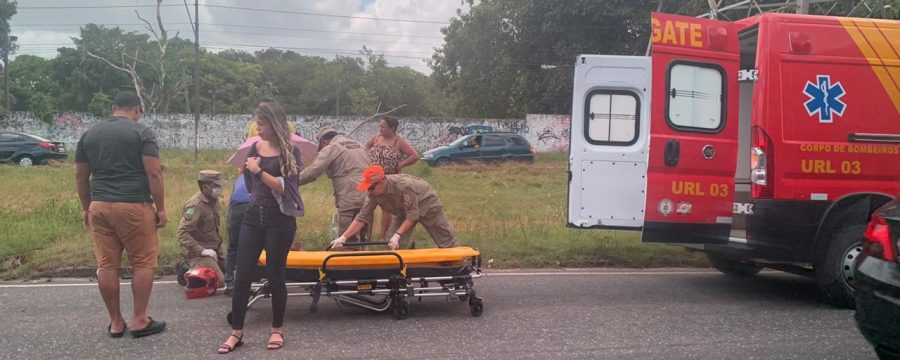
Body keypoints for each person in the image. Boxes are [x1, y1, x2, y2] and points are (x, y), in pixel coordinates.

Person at [74, 90, 167, 338]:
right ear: (136, 109)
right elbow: (154, 174)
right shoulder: (142, 132)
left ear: (114, 107)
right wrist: (161, 208)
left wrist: (86, 207)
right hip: (133, 205)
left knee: (106, 265)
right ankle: (138, 320)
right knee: (142, 262)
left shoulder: (89, 134)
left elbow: (81, 176)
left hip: (100, 205)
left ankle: (116, 322)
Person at [219, 101, 304, 354]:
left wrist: (258, 172)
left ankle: (277, 329)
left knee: (276, 275)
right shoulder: (254, 147)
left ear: (275, 124)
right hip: (253, 216)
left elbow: (287, 189)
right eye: (257, 121)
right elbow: (248, 182)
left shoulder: (291, 151)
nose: (258, 126)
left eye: (262, 122)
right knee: (243, 274)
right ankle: (236, 332)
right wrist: (254, 172)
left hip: (280, 220)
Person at [332, 165, 460, 250]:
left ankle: (460, 268)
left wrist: (398, 234)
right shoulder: (373, 195)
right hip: (403, 212)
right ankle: (400, 275)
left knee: (446, 241)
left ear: (381, 183)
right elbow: (362, 217)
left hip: (427, 205)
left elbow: (413, 215)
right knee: (392, 244)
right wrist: (344, 237)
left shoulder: (404, 186)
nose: (369, 191)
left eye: (371, 187)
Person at [299, 126, 371, 248]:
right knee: (365, 236)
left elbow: (314, 171)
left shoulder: (332, 147)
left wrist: (292, 181)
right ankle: (367, 263)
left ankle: (350, 264)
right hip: (368, 194)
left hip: (349, 196)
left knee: (348, 238)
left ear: (324, 142)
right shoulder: (359, 145)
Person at [365, 115, 419, 243]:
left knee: (386, 208)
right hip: (372, 179)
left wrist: (401, 164)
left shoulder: (398, 141)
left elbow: (414, 156)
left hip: (389, 178)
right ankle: (367, 236)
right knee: (368, 206)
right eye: (380, 126)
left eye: (383, 126)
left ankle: (383, 237)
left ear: (392, 128)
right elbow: (365, 147)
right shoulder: (376, 137)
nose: (380, 128)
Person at [176, 170, 227, 290]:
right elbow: (182, 233)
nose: (219, 188)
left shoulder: (213, 200)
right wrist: (202, 251)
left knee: (235, 274)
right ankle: (186, 268)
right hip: (198, 252)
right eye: (216, 186)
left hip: (215, 248)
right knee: (218, 282)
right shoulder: (195, 205)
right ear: (206, 187)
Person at [224, 168, 250, 296]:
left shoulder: (239, 179)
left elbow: (230, 203)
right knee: (253, 246)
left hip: (236, 209)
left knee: (233, 246)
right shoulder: (264, 174)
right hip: (252, 205)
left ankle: (230, 282)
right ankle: (247, 281)